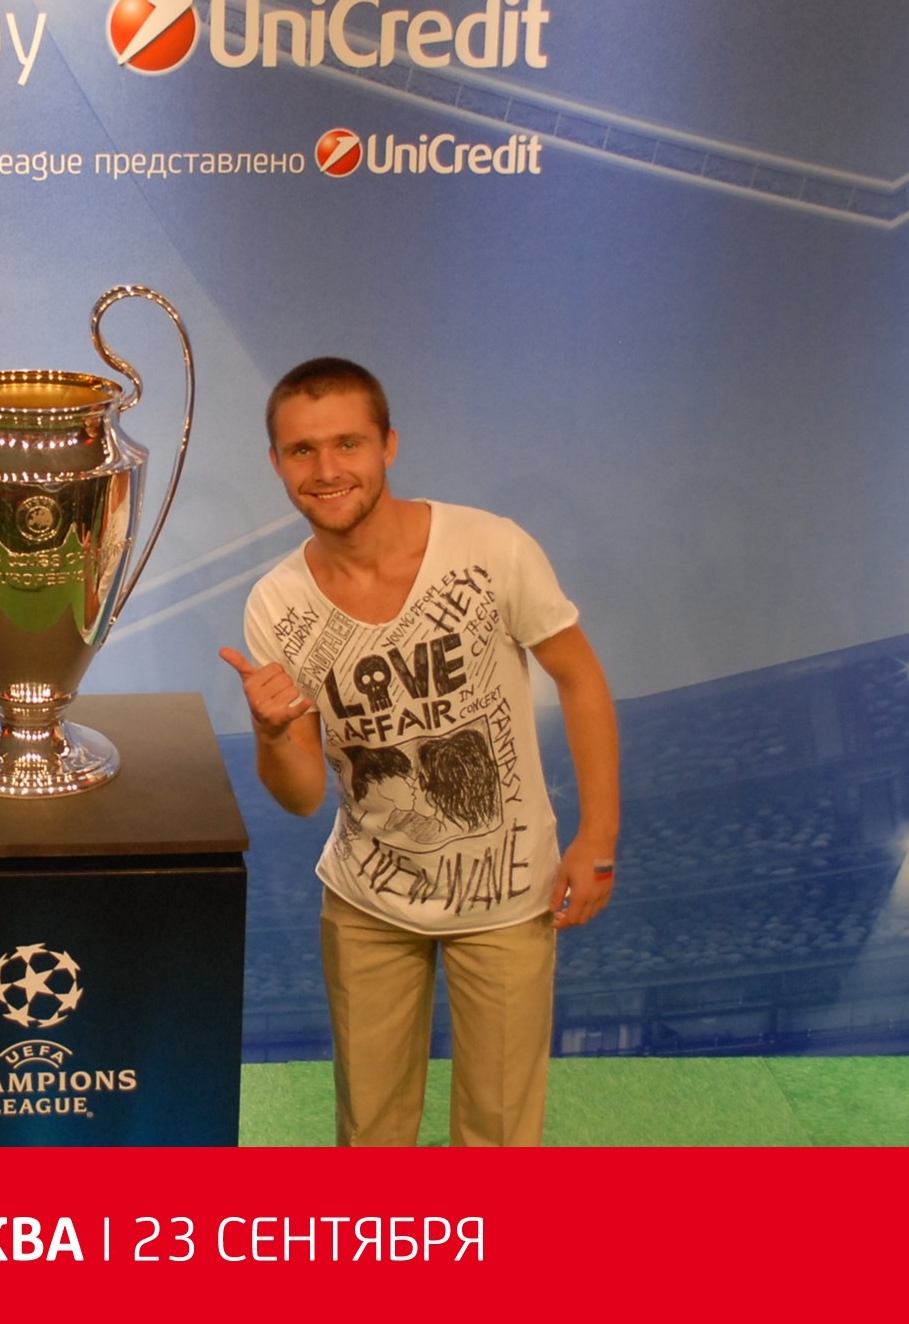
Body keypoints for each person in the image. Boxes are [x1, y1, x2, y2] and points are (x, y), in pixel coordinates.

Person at [219, 357, 619, 1146]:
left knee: (499, 1139)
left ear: (389, 445)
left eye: (348, 443)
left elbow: (580, 677)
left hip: (506, 894)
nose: (327, 470)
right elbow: (303, 794)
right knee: (370, 1137)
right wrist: (269, 732)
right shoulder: (277, 603)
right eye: (302, 450)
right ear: (276, 462)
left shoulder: (491, 547)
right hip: (368, 902)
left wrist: (598, 838)